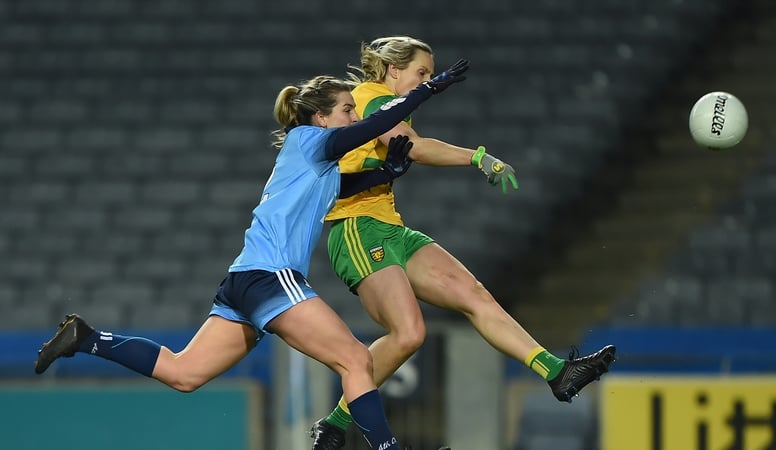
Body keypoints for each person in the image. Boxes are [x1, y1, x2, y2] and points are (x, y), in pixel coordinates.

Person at [34, 62, 470, 450]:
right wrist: (422, 93)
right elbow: (376, 126)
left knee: (185, 373)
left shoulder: (313, 159)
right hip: (271, 277)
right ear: (321, 117)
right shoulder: (312, 139)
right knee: (356, 359)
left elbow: (341, 188)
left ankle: (87, 338)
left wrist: (387, 172)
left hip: (243, 281)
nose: (355, 116)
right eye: (347, 110)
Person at [309, 36, 616, 450]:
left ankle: (557, 373)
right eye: (421, 72)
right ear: (393, 70)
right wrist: (477, 157)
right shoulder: (369, 96)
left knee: (474, 295)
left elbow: (405, 145)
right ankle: (335, 424)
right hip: (356, 229)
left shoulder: (387, 107)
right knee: (408, 334)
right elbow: (414, 149)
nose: (426, 81)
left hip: (391, 229)